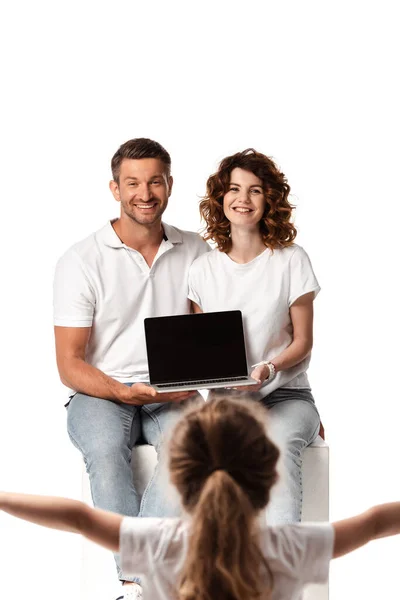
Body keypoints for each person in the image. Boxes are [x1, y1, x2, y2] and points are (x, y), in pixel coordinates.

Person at [1, 395, 400, 600]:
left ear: (178, 479)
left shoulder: (162, 545)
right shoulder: (289, 548)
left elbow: (78, 517)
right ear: (266, 481)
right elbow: (375, 522)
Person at [53, 138, 210, 599]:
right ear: (115, 189)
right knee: (104, 452)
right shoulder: (81, 260)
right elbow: (69, 363)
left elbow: (211, 338)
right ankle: (141, 580)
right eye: (133, 183)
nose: (145, 193)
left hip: (175, 389)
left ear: (169, 185)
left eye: (155, 181)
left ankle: (133, 583)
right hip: (101, 390)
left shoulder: (197, 250)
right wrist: (122, 392)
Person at [188, 148, 321, 525]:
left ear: (270, 200)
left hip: (286, 396)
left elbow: (303, 342)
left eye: (255, 190)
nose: (243, 199)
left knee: (277, 445)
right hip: (227, 400)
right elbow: (203, 348)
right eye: (234, 189)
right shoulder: (202, 270)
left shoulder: (291, 259)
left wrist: (268, 367)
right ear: (221, 198)